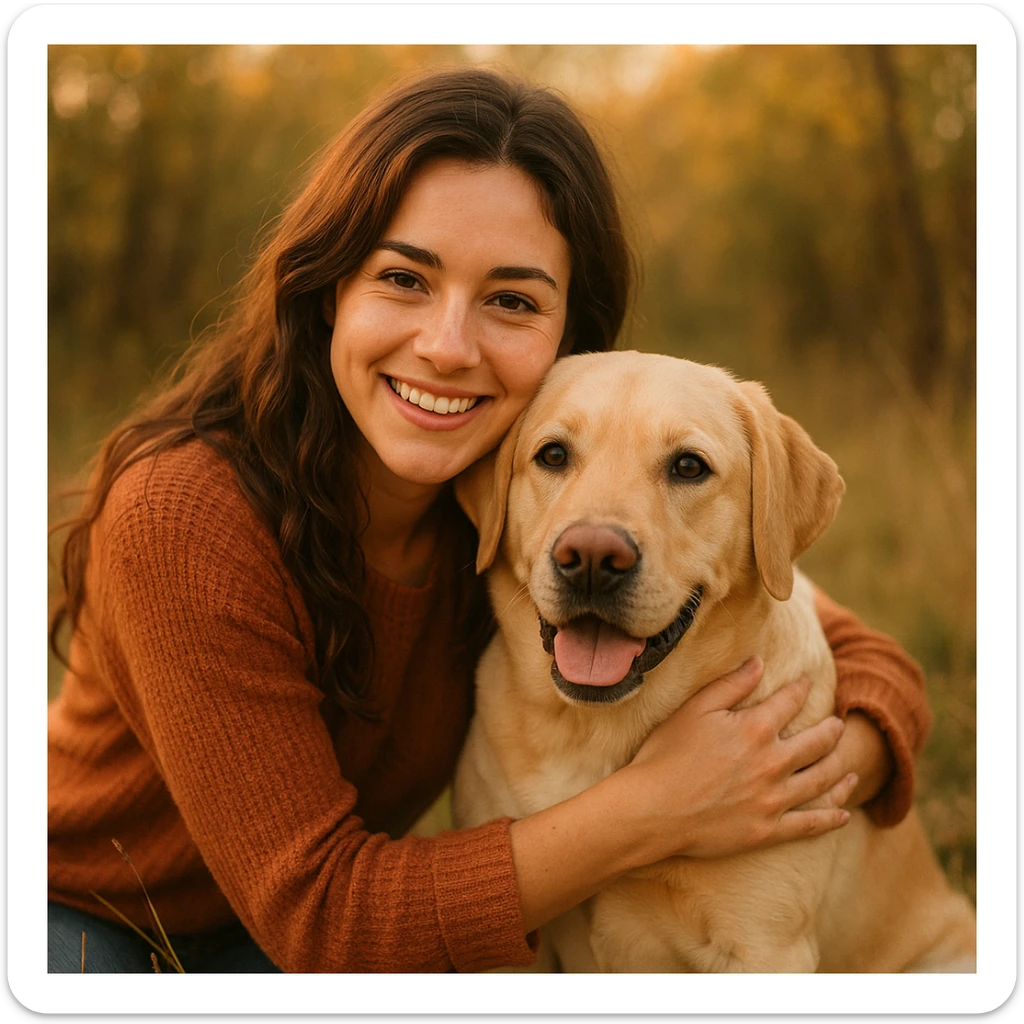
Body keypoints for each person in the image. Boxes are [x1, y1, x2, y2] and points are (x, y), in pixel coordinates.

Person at [47, 67, 932, 974]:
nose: (448, 345)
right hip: (83, 918)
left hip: (303, 943)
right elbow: (330, 922)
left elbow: (863, 658)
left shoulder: (513, 492)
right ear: (328, 292)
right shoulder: (186, 517)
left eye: (511, 299)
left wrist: (804, 780)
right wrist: (666, 806)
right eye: (403, 278)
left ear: (567, 342)